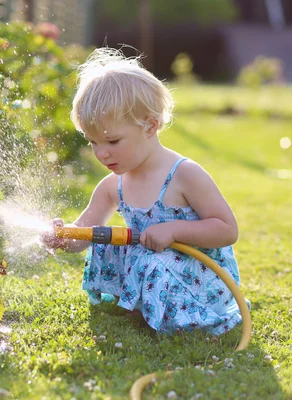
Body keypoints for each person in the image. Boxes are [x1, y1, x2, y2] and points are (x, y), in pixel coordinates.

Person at [41, 48, 244, 335]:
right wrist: (65, 237)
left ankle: (182, 316)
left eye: (112, 141)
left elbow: (227, 230)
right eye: (93, 142)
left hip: (199, 280)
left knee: (156, 259)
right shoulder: (113, 185)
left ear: (150, 125)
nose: (101, 153)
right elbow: (86, 231)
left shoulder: (184, 175)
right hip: (155, 266)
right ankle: (141, 305)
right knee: (107, 241)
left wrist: (173, 230)